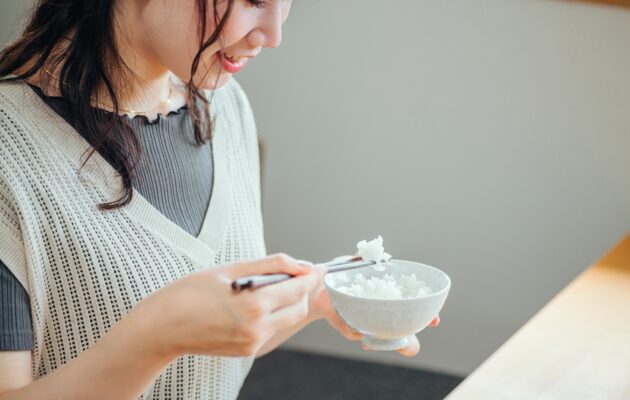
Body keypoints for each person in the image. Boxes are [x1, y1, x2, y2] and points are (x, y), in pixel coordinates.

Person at [0, 0, 439, 398]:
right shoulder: (10, 150)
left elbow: (212, 348)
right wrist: (159, 332)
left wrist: (318, 297)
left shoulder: (224, 107)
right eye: (251, 1)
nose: (273, 34)